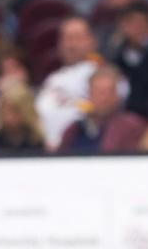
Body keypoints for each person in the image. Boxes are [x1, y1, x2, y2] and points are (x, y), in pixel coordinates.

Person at [36, 16, 103, 149]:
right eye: (66, 38)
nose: (70, 45)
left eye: (77, 38)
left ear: (93, 41)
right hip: (44, 152)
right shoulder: (53, 79)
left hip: (82, 151)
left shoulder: (102, 76)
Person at [57, 64, 145, 152]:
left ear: (118, 96)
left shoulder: (130, 126)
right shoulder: (74, 129)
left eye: (109, 92)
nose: (104, 98)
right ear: (89, 95)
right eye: (99, 92)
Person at [107, 0, 148, 119]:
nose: (137, 30)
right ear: (122, 26)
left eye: (141, 25)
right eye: (131, 24)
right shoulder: (113, 59)